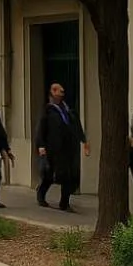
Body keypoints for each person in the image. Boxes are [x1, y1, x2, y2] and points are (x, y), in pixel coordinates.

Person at [34, 82, 89, 211]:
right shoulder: (48, 110)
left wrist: (84, 140)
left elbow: (77, 126)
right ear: (53, 92)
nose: (62, 94)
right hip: (53, 148)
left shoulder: (68, 110)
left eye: (63, 92)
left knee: (68, 176)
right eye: (60, 91)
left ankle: (64, 202)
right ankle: (41, 194)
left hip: (68, 148)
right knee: (49, 174)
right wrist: (41, 145)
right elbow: (41, 129)